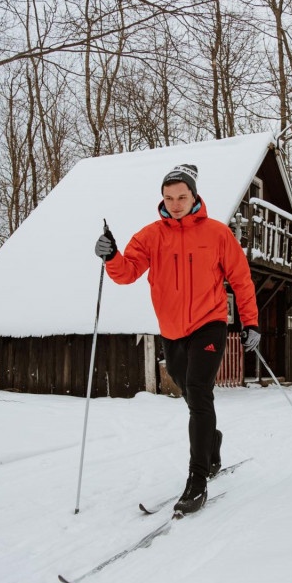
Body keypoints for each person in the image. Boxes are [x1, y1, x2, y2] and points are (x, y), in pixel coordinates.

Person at [94, 163, 261, 516]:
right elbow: (126, 274)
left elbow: (242, 280)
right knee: (189, 392)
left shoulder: (217, 234)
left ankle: (197, 479)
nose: (175, 203)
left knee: (199, 392)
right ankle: (211, 442)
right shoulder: (151, 235)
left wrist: (251, 322)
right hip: (171, 330)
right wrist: (111, 255)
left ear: (194, 195)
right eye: (169, 197)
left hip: (210, 323)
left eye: (182, 196)